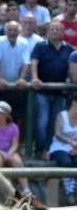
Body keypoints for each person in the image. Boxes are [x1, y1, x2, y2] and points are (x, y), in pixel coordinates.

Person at [31, 20, 73, 154]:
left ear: (62, 32)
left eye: (58, 29)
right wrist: (34, 78)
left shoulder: (69, 48)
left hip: (60, 93)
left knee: (55, 124)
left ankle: (50, 151)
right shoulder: (40, 46)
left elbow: (72, 67)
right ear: (47, 32)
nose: (55, 31)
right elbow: (34, 63)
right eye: (52, 29)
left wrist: (69, 78)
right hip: (42, 91)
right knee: (42, 123)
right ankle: (39, 150)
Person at [0, 100, 32, 195]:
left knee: (17, 161)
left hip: (9, 150)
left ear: (5, 115)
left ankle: (26, 189)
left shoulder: (14, 127)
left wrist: (9, 153)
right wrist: (2, 153)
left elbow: (15, 144)